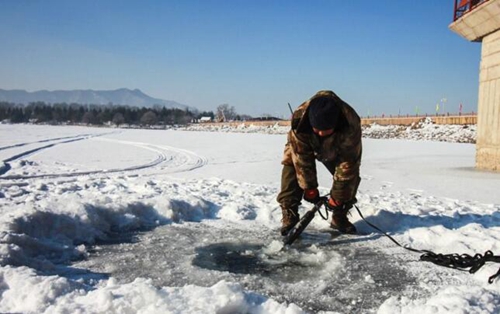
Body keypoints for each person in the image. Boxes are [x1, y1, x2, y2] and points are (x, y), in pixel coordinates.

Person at [277, 90, 362, 236]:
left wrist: (338, 197)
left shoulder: (350, 123)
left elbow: (348, 164)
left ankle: (339, 214)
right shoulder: (299, 119)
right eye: (318, 130)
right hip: (304, 143)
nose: (322, 134)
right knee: (291, 162)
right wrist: (309, 188)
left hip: (337, 146)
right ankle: (289, 212)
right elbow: (302, 159)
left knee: (350, 175)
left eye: (326, 130)